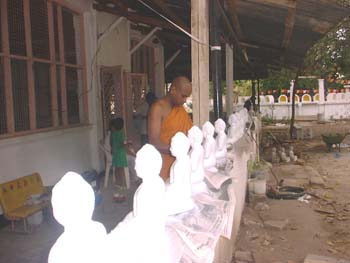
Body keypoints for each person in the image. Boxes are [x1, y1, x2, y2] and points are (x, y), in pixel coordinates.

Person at [148, 76, 193, 181]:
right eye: (183, 96)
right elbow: (154, 141)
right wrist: (177, 150)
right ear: (173, 90)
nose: (185, 100)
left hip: (182, 162)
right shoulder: (157, 108)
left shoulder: (180, 108)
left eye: (186, 97)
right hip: (165, 164)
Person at [110, 118, 131, 200]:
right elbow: (123, 144)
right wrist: (128, 143)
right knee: (121, 170)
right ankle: (122, 185)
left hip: (115, 154)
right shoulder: (121, 134)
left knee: (116, 170)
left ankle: (118, 184)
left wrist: (113, 148)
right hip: (121, 154)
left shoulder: (113, 134)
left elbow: (111, 143)